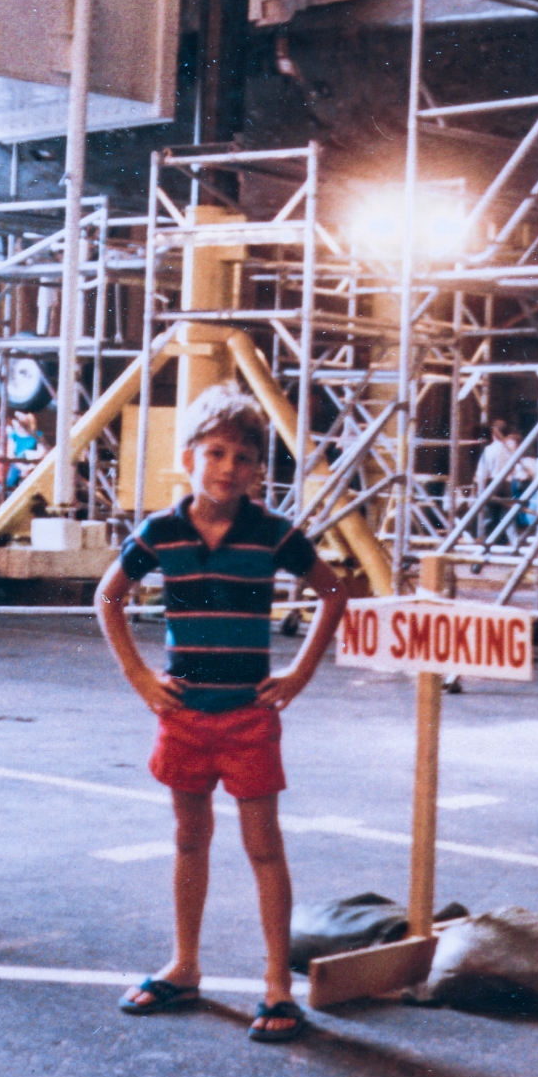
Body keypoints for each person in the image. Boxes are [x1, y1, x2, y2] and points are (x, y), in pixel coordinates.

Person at [95, 384, 349, 1043]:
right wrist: (140, 677)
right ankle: (184, 965)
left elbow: (333, 591)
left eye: (242, 456)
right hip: (182, 713)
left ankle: (276, 986)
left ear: (260, 470)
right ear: (188, 458)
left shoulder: (273, 534)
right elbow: (108, 596)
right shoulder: (161, 531)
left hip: (247, 717)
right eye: (215, 452)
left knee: (264, 846)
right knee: (188, 838)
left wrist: (300, 672)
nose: (228, 467)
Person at [475, 419, 520, 544]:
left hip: (492, 483)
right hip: (506, 484)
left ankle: (484, 542)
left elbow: (483, 472)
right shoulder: (509, 450)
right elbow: (514, 469)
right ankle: (514, 542)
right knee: (506, 516)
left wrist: (481, 487)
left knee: (487, 516)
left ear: (493, 434)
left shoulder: (490, 450)